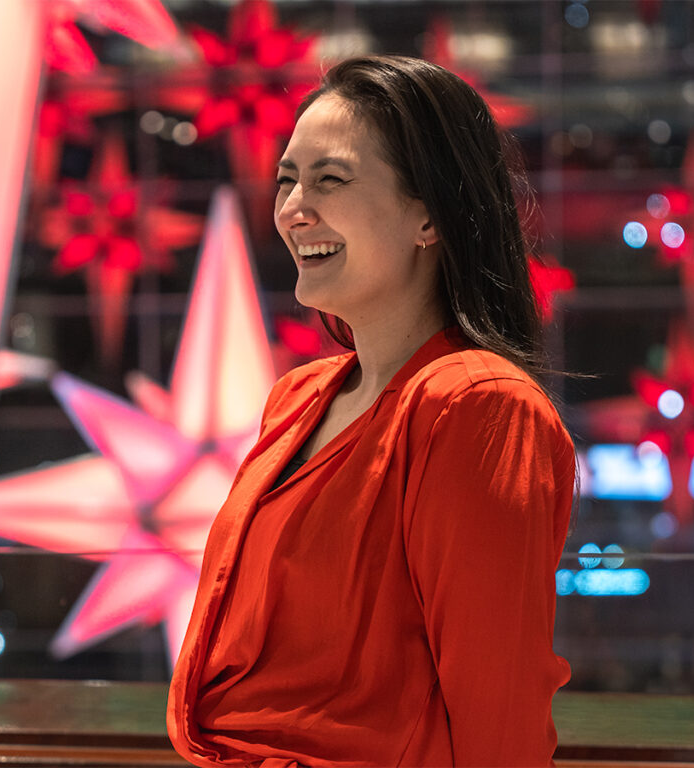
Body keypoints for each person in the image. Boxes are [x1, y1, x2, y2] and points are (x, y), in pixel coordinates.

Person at [167, 55, 575, 767]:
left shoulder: (479, 408)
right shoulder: (296, 401)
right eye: (288, 179)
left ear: (429, 216)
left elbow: (499, 714)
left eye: (330, 179)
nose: (294, 208)